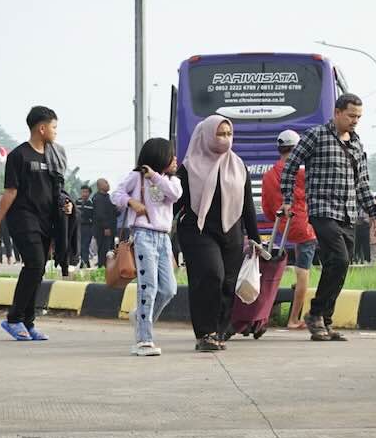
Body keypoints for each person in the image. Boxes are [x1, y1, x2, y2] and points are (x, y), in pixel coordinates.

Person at [280, 94, 376, 342]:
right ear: (337, 113)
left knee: (339, 265)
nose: (355, 121)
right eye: (351, 116)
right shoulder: (317, 135)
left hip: (348, 213)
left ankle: (324, 319)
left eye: (358, 117)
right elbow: (291, 164)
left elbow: (362, 183)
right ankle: (315, 314)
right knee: (340, 257)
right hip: (323, 211)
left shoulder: (357, 145)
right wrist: (287, 198)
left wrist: (373, 212)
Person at [175, 116, 261, 352]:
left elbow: (247, 204)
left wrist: (255, 237)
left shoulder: (238, 165)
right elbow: (175, 202)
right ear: (206, 136)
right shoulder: (189, 167)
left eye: (228, 134)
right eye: (219, 134)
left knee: (228, 283)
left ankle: (220, 331)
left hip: (231, 232)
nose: (225, 139)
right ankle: (205, 333)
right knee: (211, 275)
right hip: (198, 231)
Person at [0, 106, 73, 342]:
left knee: (38, 270)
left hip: (47, 219)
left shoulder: (53, 155)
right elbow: (10, 192)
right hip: (23, 218)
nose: (56, 132)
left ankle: (28, 322)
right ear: (42, 128)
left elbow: (58, 190)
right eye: (54, 127)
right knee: (34, 264)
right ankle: (13, 319)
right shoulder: (19, 156)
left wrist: (67, 204)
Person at [110, 138, 183, 357]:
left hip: (164, 238)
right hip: (143, 236)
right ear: (160, 156)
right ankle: (144, 340)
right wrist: (131, 203)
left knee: (169, 288)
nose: (175, 159)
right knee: (148, 287)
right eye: (171, 155)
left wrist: (155, 177)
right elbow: (116, 195)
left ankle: (140, 315)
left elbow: (175, 195)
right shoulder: (136, 178)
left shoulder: (172, 181)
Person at [261, 129, 318, 330]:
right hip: (305, 228)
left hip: (283, 228)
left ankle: (262, 313)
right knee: (303, 273)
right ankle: (294, 318)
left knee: (274, 269)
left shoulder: (268, 176)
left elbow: (268, 210)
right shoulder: (302, 174)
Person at [93, 178, 117, 269]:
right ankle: (102, 267)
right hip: (103, 229)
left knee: (110, 249)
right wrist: (106, 227)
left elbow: (112, 212)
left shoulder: (108, 197)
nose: (108, 184)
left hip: (111, 228)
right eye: (106, 182)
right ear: (99, 186)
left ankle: (108, 267)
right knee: (103, 249)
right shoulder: (98, 198)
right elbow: (100, 214)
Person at [75, 185, 96, 268]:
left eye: (86, 192)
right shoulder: (77, 202)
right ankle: (84, 262)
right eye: (83, 191)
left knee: (85, 245)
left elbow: (94, 217)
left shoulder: (91, 203)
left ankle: (84, 262)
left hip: (88, 227)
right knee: (79, 245)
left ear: (89, 193)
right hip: (78, 227)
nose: (84, 194)